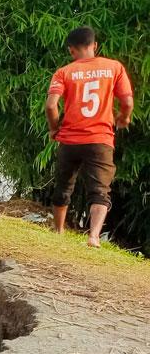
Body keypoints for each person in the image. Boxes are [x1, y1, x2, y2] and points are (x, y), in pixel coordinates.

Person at [46, 26, 134, 248]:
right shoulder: (114, 67)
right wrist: (124, 117)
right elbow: (127, 101)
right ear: (94, 45)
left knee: (64, 186)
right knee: (100, 191)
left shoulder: (64, 72)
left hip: (70, 140)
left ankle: (57, 232)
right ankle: (93, 236)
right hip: (100, 139)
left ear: (71, 50)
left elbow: (51, 105)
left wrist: (54, 128)